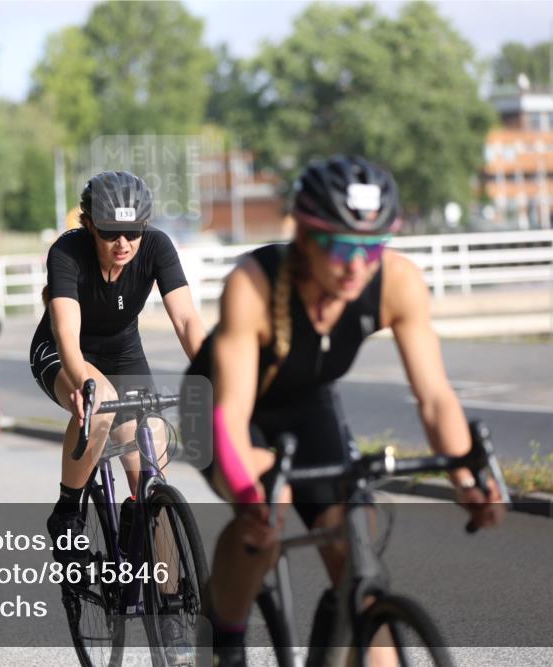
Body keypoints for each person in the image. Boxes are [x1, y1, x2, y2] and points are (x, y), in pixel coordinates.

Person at [183, 155, 506, 666]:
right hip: (220, 406)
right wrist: (252, 500)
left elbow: (436, 397)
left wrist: (467, 474)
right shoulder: (255, 285)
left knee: (356, 537)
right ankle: (224, 634)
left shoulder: (397, 282)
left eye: (372, 246)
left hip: (306, 405)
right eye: (339, 246)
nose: (357, 264)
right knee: (267, 516)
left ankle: (346, 629)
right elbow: (230, 416)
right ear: (305, 236)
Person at [30, 170, 206, 661]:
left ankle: (169, 607)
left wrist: (218, 372)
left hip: (126, 353)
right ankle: (67, 513)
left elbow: (188, 319)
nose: (124, 242)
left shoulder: (157, 246)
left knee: (152, 468)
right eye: (110, 232)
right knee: (101, 405)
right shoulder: (67, 251)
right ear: (89, 225)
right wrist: (81, 380)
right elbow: (66, 330)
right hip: (65, 352)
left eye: (133, 232)